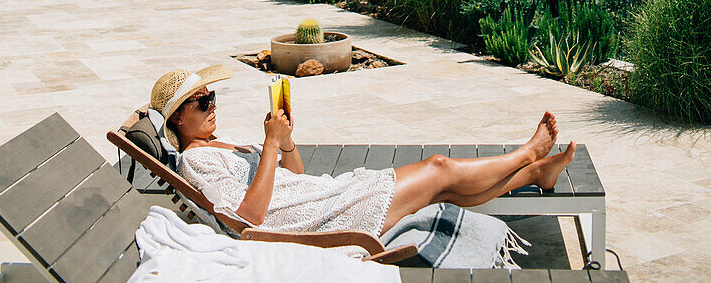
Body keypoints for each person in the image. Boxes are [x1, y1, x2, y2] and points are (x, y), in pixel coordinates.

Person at [150, 65, 576, 240]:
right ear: (177, 121)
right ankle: (527, 155)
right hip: (316, 217)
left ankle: (536, 175)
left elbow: (295, 174)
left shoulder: (224, 145)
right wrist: (271, 145)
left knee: (443, 189)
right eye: (202, 102)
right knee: (439, 169)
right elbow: (248, 218)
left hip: (316, 194)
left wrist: (287, 142)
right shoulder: (195, 160)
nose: (212, 105)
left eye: (212, 97)